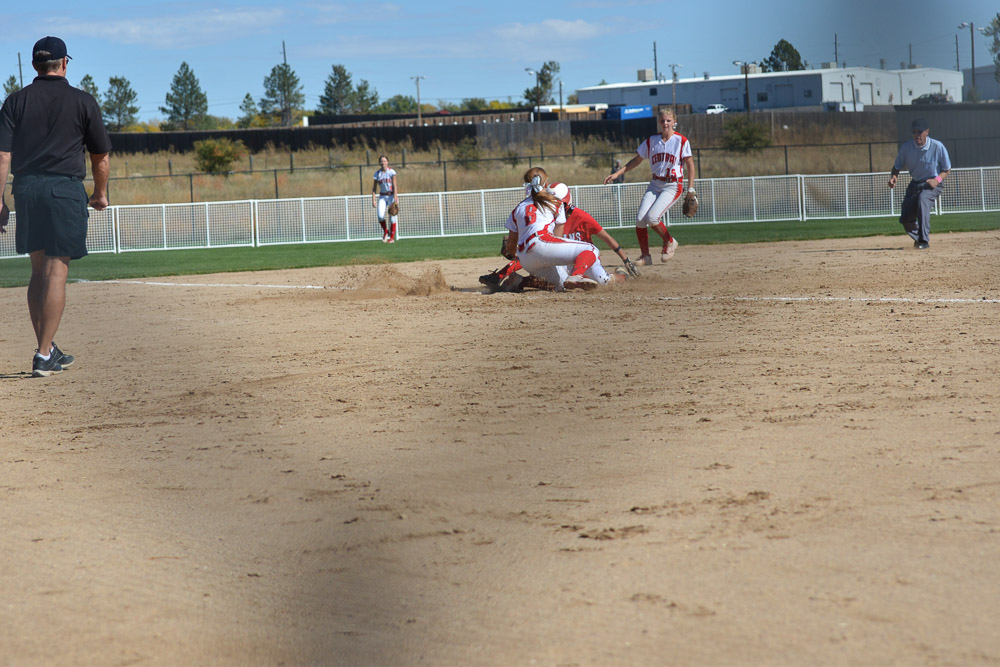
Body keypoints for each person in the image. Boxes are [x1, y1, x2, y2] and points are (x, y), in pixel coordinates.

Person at [0, 36, 111, 377]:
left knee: (38, 272)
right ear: (64, 64)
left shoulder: (15, 101)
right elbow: (101, 157)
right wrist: (100, 193)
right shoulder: (83, 101)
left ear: (35, 65)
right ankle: (44, 354)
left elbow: (2, 156)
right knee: (56, 272)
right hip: (64, 190)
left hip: (27, 189)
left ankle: (46, 347)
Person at [481, 182, 636, 291]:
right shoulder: (550, 213)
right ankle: (575, 277)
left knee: (599, 282)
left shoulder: (579, 216)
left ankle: (621, 275)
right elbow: (546, 246)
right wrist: (502, 272)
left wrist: (626, 260)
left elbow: (607, 238)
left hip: (583, 262)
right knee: (589, 251)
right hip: (566, 260)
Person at [604, 106, 695, 265]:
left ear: (674, 121)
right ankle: (645, 256)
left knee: (652, 217)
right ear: (659, 122)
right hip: (655, 183)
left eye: (669, 120)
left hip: (672, 185)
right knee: (640, 219)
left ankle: (669, 241)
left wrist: (691, 188)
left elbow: (690, 165)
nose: (665, 123)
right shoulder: (652, 141)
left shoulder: (681, 141)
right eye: (663, 120)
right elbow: (637, 160)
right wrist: (618, 174)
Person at [503, 168, 603, 291]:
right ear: (546, 184)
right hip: (542, 243)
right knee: (591, 249)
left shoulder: (518, 208)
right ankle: (577, 275)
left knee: (562, 285)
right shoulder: (555, 202)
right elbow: (557, 237)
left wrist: (513, 254)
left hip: (525, 259)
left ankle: (518, 281)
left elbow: (511, 246)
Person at [888, 118, 951, 250]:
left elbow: (946, 169)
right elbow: (897, 167)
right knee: (905, 218)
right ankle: (919, 239)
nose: (917, 135)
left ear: (927, 132)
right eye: (914, 132)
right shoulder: (906, 148)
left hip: (932, 184)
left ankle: (923, 240)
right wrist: (894, 176)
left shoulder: (937, 146)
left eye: (920, 132)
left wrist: (937, 180)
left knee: (923, 200)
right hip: (915, 184)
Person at [371, 155, 398, 243]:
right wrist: (373, 199)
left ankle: (391, 238)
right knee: (380, 216)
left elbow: (395, 186)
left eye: (385, 161)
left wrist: (395, 198)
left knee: (393, 216)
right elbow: (374, 188)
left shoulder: (391, 172)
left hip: (391, 196)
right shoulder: (377, 173)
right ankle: (386, 231)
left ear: (387, 162)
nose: (383, 163)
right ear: (379, 163)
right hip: (382, 196)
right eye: (381, 161)